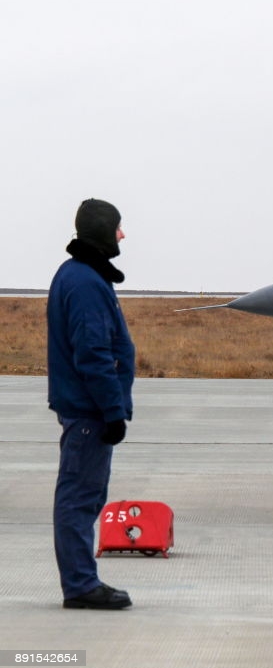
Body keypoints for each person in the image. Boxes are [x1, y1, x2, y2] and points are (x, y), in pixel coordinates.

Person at [47, 199, 135, 610]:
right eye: (117, 228)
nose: (122, 235)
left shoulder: (84, 276)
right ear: (102, 231)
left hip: (87, 409)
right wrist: (113, 411)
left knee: (85, 496)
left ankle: (81, 581)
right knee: (79, 499)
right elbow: (93, 353)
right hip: (89, 412)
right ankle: (81, 586)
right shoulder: (83, 282)